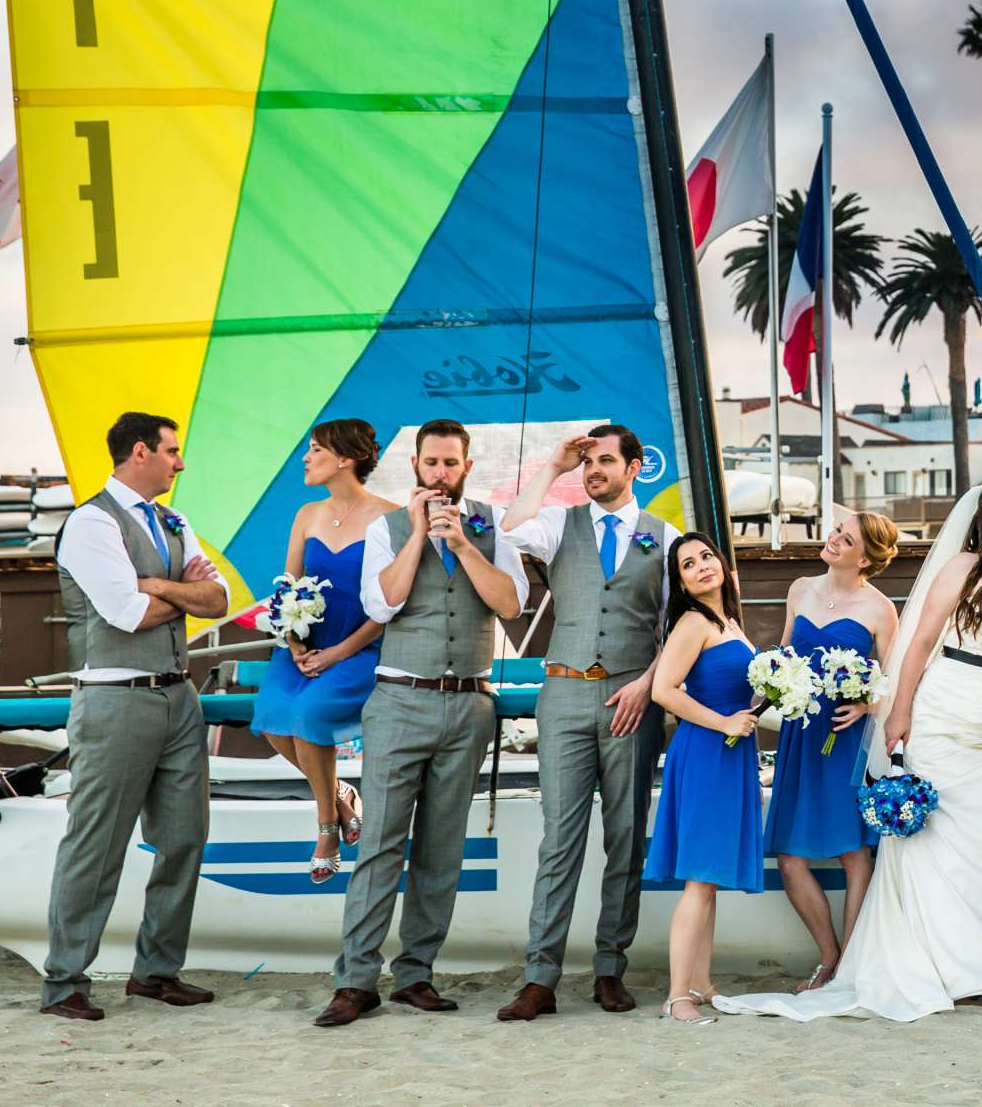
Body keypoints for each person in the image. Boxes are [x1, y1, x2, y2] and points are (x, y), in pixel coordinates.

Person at [715, 475, 982, 1022]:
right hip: (943, 716)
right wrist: (897, 712)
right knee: (934, 846)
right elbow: (919, 642)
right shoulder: (964, 569)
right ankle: (938, 966)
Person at [315, 419, 527, 1027]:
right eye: (430, 463)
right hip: (401, 698)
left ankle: (415, 975)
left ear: (466, 465)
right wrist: (416, 534)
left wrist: (462, 544)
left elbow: (511, 604)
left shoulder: (490, 524)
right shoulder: (385, 527)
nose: (440, 474)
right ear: (414, 464)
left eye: (450, 463)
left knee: (442, 847)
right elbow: (383, 604)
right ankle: (356, 980)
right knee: (380, 842)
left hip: (468, 703)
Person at [39, 412, 230, 1020]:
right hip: (115, 699)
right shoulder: (92, 522)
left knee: (184, 839)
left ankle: (156, 972)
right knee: (97, 843)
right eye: (173, 451)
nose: (181, 463)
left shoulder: (173, 520)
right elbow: (125, 614)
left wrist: (158, 585)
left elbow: (219, 598)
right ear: (140, 452)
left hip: (179, 695)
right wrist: (176, 591)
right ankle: (65, 981)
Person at [494, 427, 678, 1022]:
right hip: (564, 697)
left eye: (604, 461)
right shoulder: (560, 523)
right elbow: (511, 528)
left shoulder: (666, 538)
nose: (592, 470)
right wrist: (553, 466)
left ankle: (609, 969)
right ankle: (540, 977)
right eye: (587, 461)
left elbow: (680, 631)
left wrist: (648, 684)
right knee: (560, 841)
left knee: (625, 837)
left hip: (632, 703)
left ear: (635, 466)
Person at [250, 418, 391, 884]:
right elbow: (288, 587)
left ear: (345, 458)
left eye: (315, 450)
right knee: (272, 717)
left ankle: (326, 826)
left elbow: (393, 602)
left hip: (360, 647)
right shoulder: (306, 514)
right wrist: (294, 644)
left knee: (309, 716)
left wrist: (337, 654)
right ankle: (341, 794)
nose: (306, 458)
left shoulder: (391, 517)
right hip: (305, 647)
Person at [765, 510, 900, 992]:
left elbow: (895, 678)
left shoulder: (880, 609)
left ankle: (853, 964)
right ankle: (829, 957)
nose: (835, 540)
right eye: (837, 532)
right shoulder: (800, 588)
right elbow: (782, 654)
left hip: (845, 739)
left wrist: (867, 704)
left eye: (848, 539)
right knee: (789, 858)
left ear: (866, 557)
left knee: (852, 851)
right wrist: (774, 685)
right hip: (801, 734)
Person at [642, 532, 764, 1025]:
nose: (701, 566)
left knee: (708, 880)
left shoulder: (730, 622)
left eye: (706, 556)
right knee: (698, 880)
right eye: (688, 565)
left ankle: (702, 980)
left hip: (733, 754)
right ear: (683, 584)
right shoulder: (693, 623)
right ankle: (677, 996)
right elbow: (663, 691)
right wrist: (726, 723)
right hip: (707, 751)